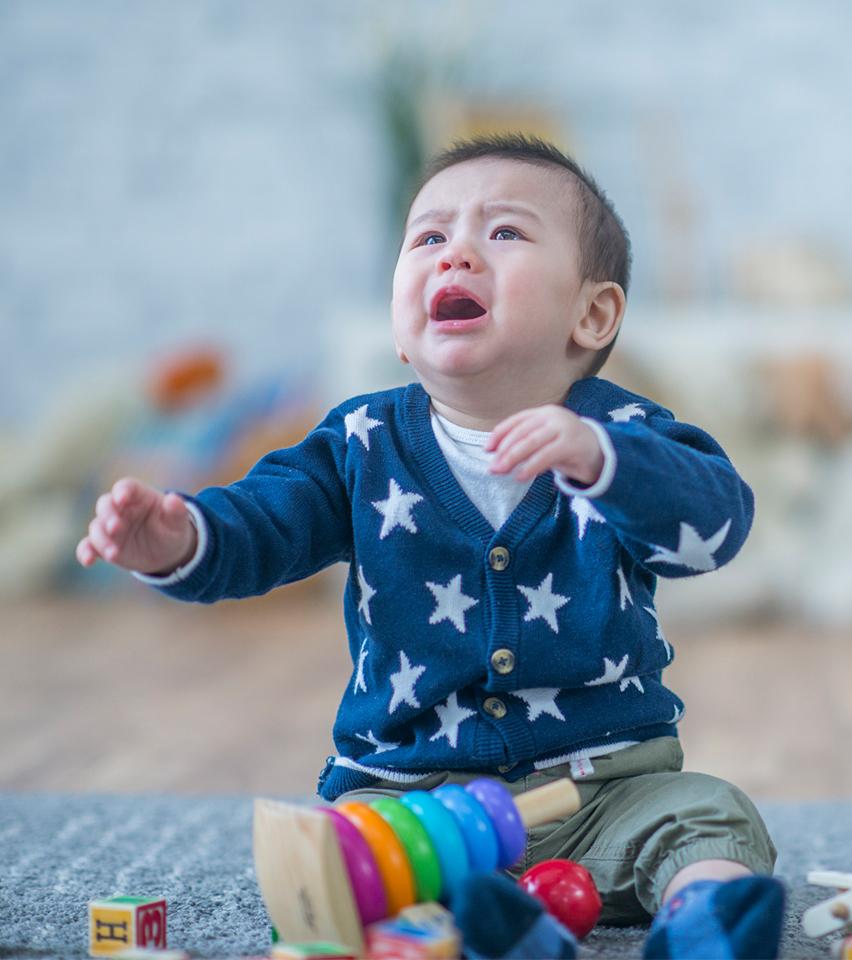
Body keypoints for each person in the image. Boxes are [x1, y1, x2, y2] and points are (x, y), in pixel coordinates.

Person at [77, 133, 783, 958]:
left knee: (712, 816)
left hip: (603, 792)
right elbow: (260, 526)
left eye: (505, 233)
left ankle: (703, 929)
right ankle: (498, 934)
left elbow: (718, 522)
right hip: (412, 803)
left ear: (592, 313)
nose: (457, 257)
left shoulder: (624, 436)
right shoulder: (360, 441)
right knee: (338, 865)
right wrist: (175, 535)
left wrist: (603, 463)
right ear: (401, 326)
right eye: (429, 238)